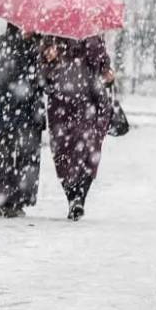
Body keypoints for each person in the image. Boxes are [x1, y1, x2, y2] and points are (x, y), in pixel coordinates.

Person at [39, 34, 116, 221]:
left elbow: (105, 71)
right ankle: (73, 197)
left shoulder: (94, 39)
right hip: (61, 105)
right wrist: (49, 60)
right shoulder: (52, 39)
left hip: (90, 102)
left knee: (90, 152)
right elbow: (43, 76)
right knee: (63, 153)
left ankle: (79, 197)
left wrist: (108, 75)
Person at [0, 23, 45, 218]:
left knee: (28, 157)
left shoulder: (40, 45)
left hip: (30, 111)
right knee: (6, 154)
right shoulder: (4, 43)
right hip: (7, 109)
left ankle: (21, 199)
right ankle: (5, 200)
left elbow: (47, 79)